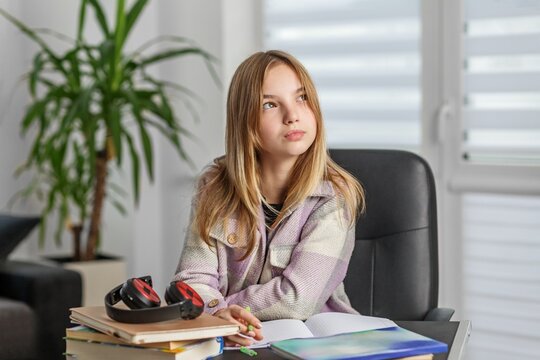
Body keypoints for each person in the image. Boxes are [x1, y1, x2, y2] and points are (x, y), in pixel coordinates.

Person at [173, 50, 365, 347]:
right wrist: (216, 314)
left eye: (302, 98)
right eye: (270, 104)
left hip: (320, 345)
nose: (292, 116)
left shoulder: (334, 198)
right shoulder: (214, 186)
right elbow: (192, 280)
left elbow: (296, 300)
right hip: (238, 345)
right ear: (244, 121)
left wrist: (223, 309)